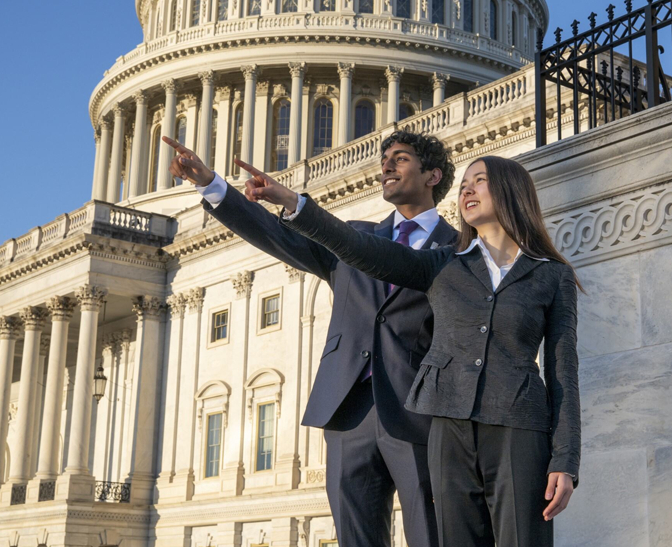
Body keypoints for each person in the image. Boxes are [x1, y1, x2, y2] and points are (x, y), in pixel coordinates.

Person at [234, 153, 581, 547]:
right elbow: (359, 247)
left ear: (512, 191)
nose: (466, 189)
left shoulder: (552, 275)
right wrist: (293, 203)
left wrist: (566, 462)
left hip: (520, 429)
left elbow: (563, 372)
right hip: (448, 434)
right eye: (464, 183)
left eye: (479, 180)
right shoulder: (441, 263)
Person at [162, 133, 457, 547]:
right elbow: (276, 236)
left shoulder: (458, 248)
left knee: (432, 535)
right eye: (384, 159)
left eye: (400, 159)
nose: (386, 166)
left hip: (416, 411)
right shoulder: (352, 236)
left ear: (432, 175)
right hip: (346, 411)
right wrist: (211, 184)